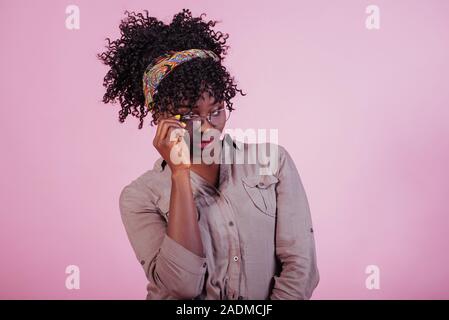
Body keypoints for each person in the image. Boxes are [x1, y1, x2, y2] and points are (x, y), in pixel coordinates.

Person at [97, 8, 319, 300]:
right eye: (189, 116)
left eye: (215, 111)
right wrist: (179, 175)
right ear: (160, 115)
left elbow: (301, 269)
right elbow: (181, 287)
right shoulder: (140, 197)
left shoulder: (272, 162)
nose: (207, 128)